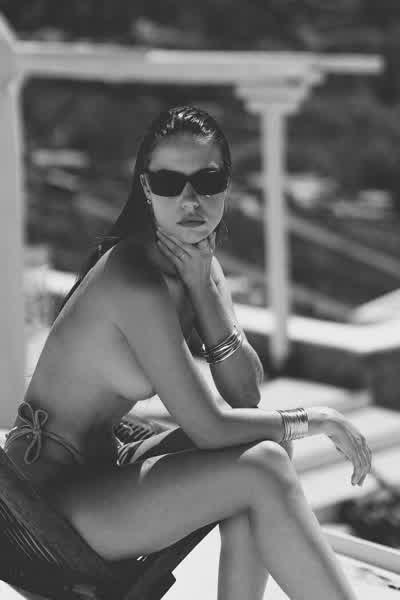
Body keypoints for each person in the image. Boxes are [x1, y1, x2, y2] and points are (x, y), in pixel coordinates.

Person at [4, 105, 371, 600]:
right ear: (146, 187)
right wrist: (319, 419)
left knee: (269, 450)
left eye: (207, 180)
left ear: (226, 185)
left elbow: (244, 395)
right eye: (169, 182)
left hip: (105, 469)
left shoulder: (197, 262)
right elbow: (209, 426)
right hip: (46, 503)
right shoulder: (132, 277)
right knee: (261, 466)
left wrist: (205, 291)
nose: (190, 199)